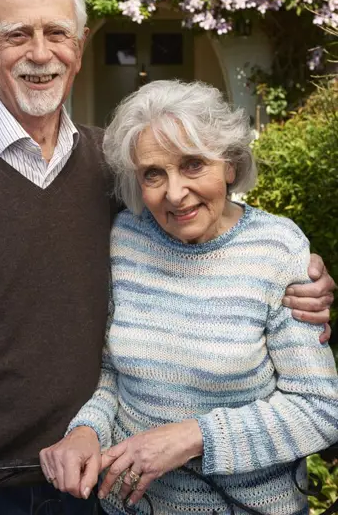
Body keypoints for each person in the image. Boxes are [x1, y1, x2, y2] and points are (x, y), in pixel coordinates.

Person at [0, 0, 334, 515]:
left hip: (93, 487)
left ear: (80, 47)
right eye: (16, 35)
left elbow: (218, 234)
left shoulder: (114, 167)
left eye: (57, 33)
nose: (40, 53)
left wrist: (298, 273)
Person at [40, 80, 338, 515]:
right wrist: (87, 430)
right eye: (153, 174)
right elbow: (112, 372)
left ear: (230, 165)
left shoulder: (276, 248)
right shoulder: (127, 239)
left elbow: (318, 409)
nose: (175, 193)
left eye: (193, 165)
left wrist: (192, 438)